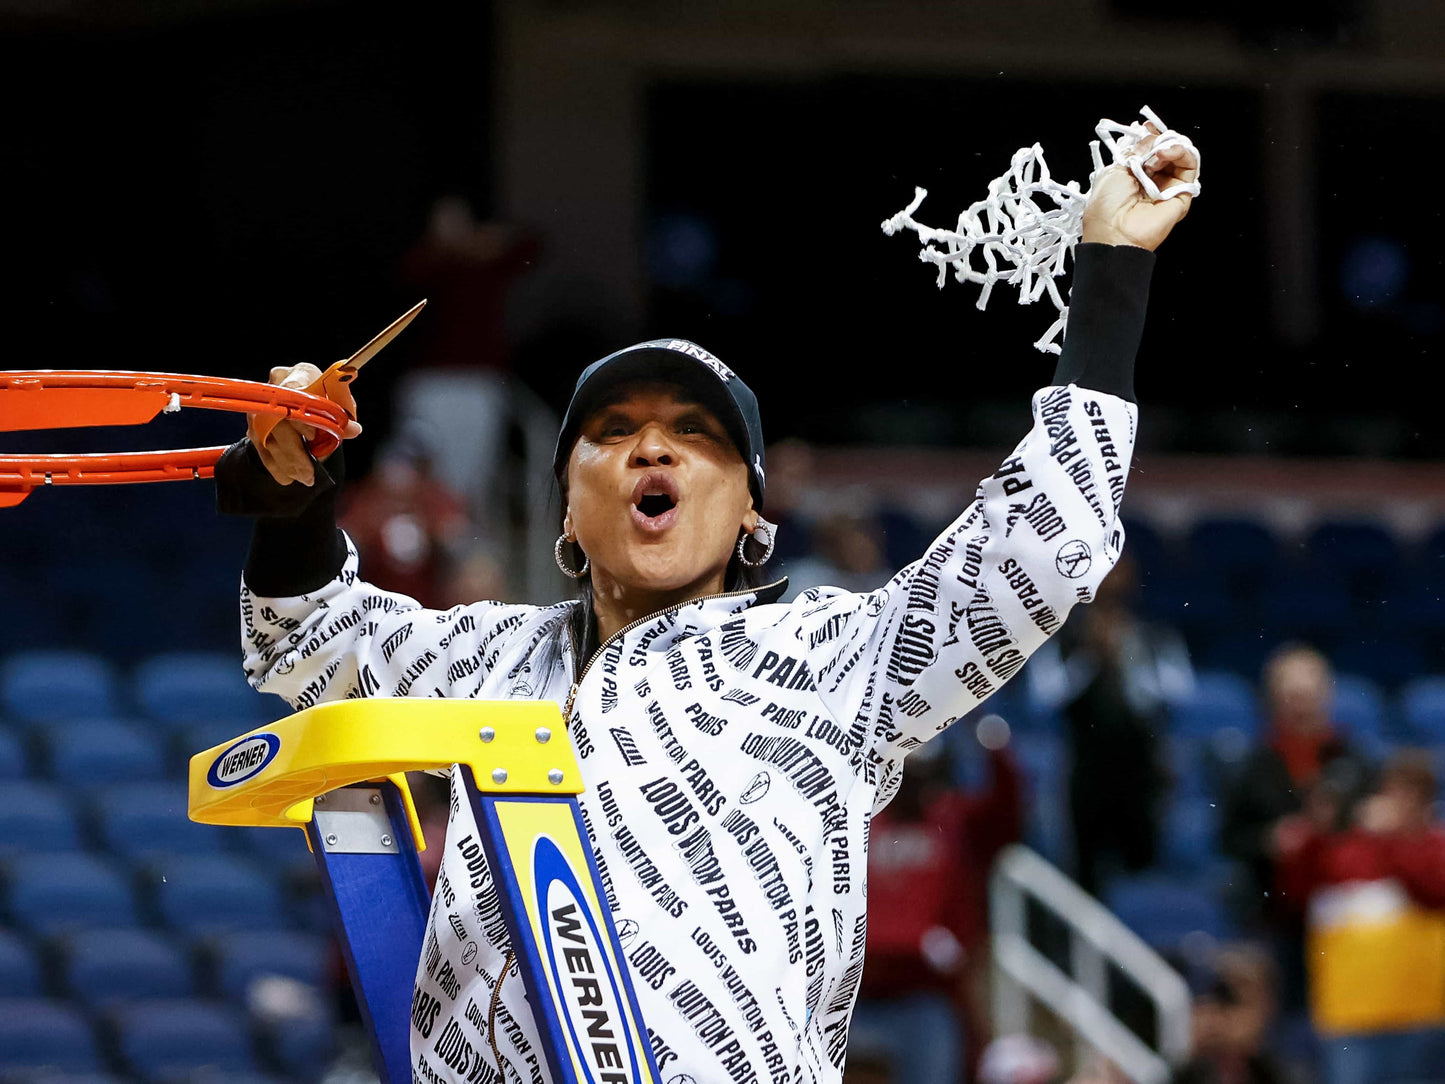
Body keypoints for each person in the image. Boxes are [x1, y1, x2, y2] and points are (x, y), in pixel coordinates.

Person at [215, 134, 1196, 1084]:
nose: (653, 449)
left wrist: (1109, 275)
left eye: (694, 433)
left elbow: (1036, 548)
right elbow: (309, 647)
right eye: (613, 430)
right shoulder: (493, 655)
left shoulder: (831, 651)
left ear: (752, 513)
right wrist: (296, 502)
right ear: (566, 507)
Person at [853, 721, 1022, 1083]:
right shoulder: (862, 822)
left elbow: (1007, 818)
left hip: (927, 999)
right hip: (857, 997)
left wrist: (994, 745)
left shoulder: (952, 819)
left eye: (924, 773)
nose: (916, 785)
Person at [1025, 553, 1193, 894]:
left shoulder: (1155, 636)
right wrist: (1088, 658)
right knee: (1085, 870)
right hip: (1086, 769)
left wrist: (1128, 660)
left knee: (1141, 866)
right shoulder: (1064, 638)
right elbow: (1043, 697)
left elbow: (1180, 692)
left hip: (1141, 767)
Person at [1274, 750, 1445, 1084]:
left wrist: (1393, 841)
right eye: (1394, 792)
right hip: (1348, 1014)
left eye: (1412, 794)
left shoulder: (1435, 847)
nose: (1401, 803)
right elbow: (1295, 893)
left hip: (1421, 1013)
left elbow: (1434, 891)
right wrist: (1312, 832)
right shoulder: (1348, 847)